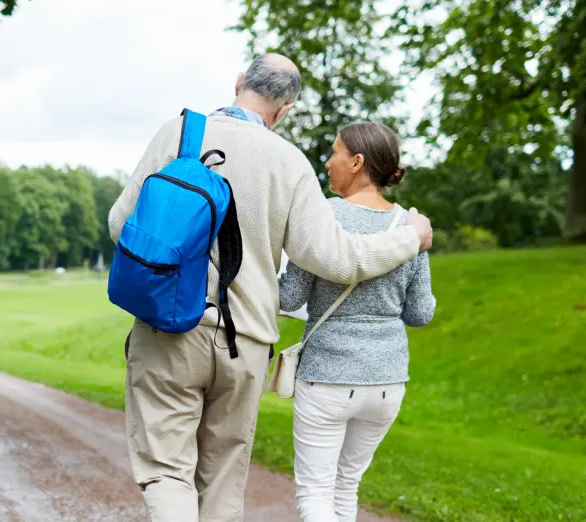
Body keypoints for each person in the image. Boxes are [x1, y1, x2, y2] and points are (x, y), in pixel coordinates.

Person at [107, 55, 433, 522]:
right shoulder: (290, 162)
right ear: (284, 110)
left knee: (167, 472)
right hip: (246, 345)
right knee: (222, 478)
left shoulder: (178, 134)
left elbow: (121, 224)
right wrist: (410, 237)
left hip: (169, 332)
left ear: (239, 82)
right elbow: (341, 260)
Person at [279, 122, 437, 522]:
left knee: (315, 494)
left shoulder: (322, 217)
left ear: (357, 161)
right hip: (386, 383)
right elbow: (420, 313)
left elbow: (289, 297)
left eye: (335, 152)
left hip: (327, 377)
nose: (328, 161)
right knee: (346, 488)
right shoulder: (411, 226)